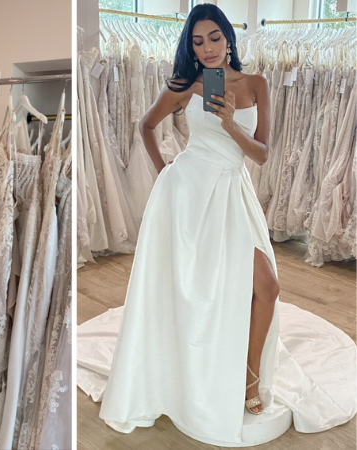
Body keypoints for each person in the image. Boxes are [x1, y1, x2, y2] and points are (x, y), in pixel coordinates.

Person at [99, 2, 279, 442]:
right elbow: (146, 126)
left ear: (228, 38)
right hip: (188, 195)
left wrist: (230, 124)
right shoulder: (185, 85)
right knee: (195, 290)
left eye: (214, 38)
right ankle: (188, 374)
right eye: (197, 42)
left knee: (267, 286)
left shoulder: (256, 84)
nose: (208, 49)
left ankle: (249, 378)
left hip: (232, 192)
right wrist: (166, 173)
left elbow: (262, 153)